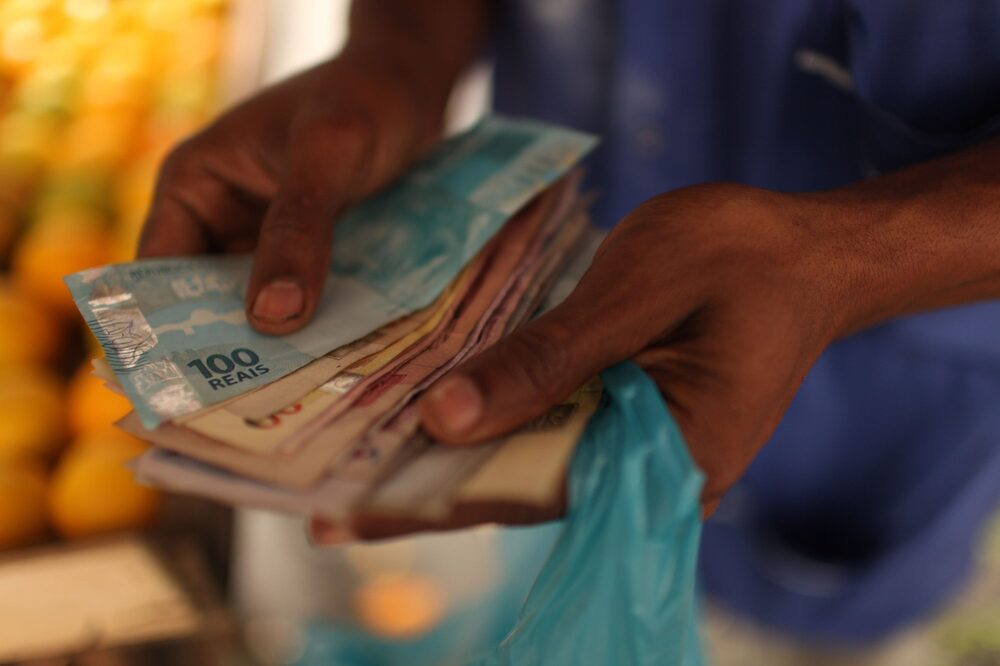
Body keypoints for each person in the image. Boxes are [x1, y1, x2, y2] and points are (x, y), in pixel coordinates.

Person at [139, 0, 1000, 645]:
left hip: (882, 394)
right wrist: (400, 50)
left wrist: (855, 257)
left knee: (815, 632)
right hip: (559, 246)